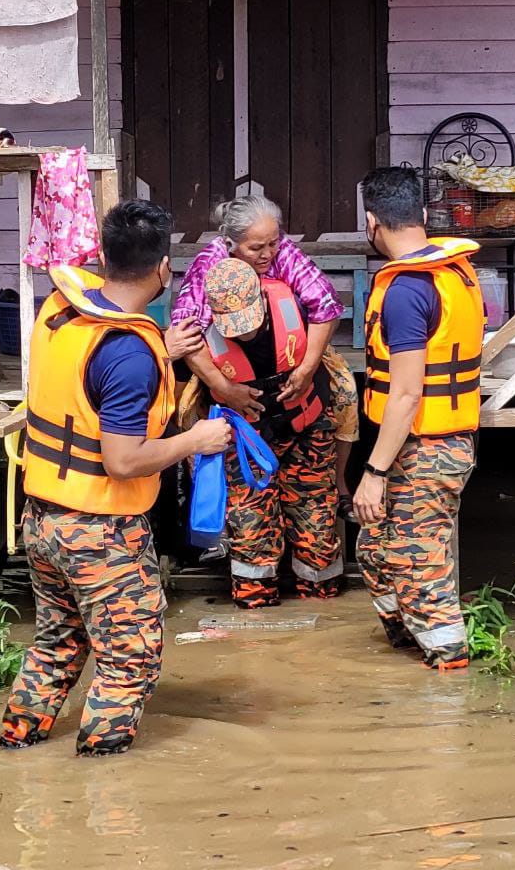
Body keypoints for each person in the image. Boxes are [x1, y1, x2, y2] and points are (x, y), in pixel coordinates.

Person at [0, 200, 233, 756]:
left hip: (42, 519)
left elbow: (91, 379)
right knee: (131, 657)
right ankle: (103, 772)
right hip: (99, 533)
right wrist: (196, 441)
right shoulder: (129, 353)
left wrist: (160, 350)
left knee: (57, 642)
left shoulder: (60, 310)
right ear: (164, 269)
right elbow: (123, 461)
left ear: (104, 258)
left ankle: (16, 742)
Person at [352, 167, 484, 671]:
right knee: (374, 549)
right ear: (423, 215)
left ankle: (449, 672)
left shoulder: (407, 290)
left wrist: (374, 473)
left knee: (418, 565)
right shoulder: (454, 273)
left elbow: (406, 394)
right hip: (428, 443)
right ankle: (409, 643)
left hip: (424, 450)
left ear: (371, 222)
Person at [171, 196, 360, 515]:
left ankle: (340, 481)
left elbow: (326, 306)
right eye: (256, 247)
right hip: (226, 364)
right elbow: (187, 334)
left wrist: (308, 367)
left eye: (273, 243)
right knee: (187, 411)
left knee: (345, 392)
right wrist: (223, 387)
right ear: (231, 243)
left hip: (292, 352)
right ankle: (200, 499)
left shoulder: (283, 250)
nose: (268, 253)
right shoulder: (209, 263)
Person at [200, 258, 342, 608]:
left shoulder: (294, 302)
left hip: (306, 427)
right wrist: (224, 389)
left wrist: (307, 369)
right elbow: (182, 359)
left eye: (249, 322)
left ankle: (324, 606)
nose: (243, 333)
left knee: (317, 524)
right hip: (246, 440)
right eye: (234, 327)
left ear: (262, 298)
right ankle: (254, 610)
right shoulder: (198, 327)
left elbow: (330, 313)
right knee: (250, 527)